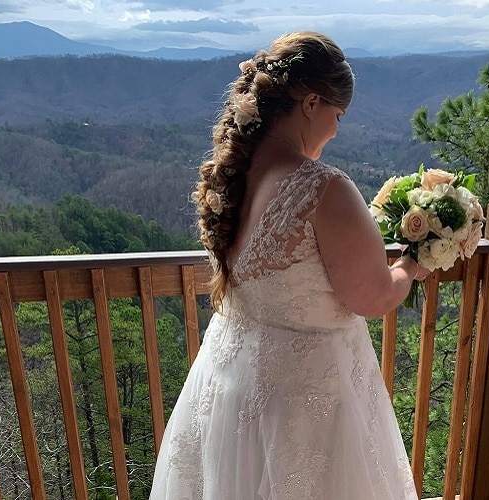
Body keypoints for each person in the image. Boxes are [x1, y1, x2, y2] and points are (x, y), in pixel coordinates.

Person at [150, 31, 428, 500]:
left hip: (232, 387)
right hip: (305, 405)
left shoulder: (236, 178)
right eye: (337, 115)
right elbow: (374, 296)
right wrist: (411, 266)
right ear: (311, 103)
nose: (337, 129)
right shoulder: (324, 188)